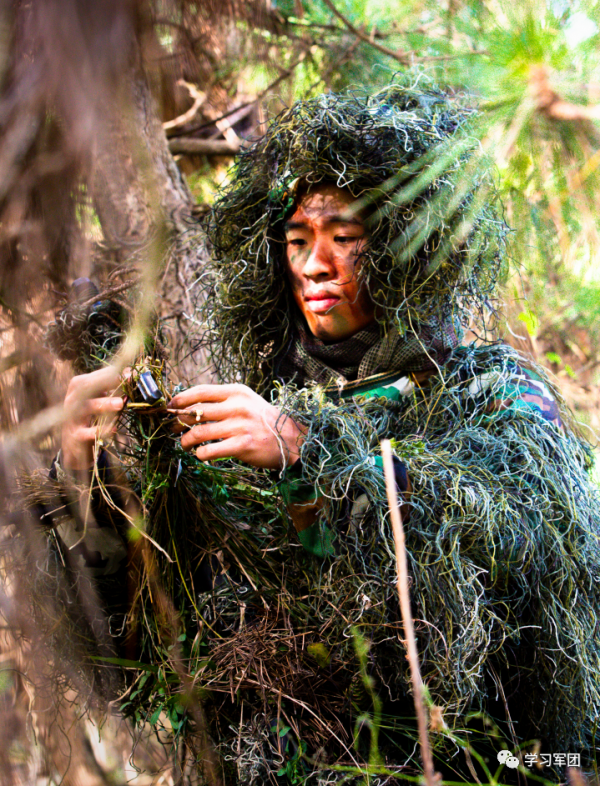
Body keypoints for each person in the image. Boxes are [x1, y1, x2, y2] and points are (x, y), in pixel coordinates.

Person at [54, 82, 600, 777]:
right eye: (298, 241)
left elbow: (520, 539)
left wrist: (307, 450)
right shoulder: (253, 413)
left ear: (407, 249)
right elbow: (140, 650)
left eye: (345, 238)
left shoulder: (488, 388)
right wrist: (92, 487)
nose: (316, 265)